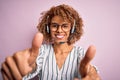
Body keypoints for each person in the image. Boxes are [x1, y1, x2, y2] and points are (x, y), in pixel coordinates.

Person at [1, 4, 101, 80]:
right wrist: (22, 68)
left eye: (65, 26)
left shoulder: (79, 52)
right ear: (48, 28)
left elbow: (88, 69)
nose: (59, 30)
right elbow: (32, 65)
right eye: (54, 25)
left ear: (72, 29)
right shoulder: (42, 51)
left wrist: (92, 74)